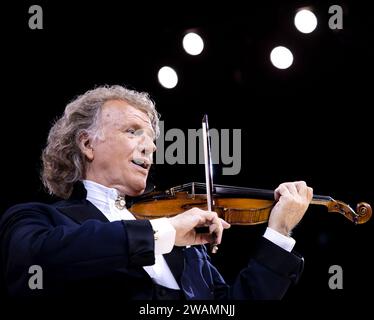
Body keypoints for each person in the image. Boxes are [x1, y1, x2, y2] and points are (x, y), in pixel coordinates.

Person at [0, 85, 313, 299]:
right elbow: (35, 261)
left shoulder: (186, 246)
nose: (150, 146)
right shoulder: (40, 219)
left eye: (151, 138)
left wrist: (279, 232)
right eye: (132, 131)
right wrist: (162, 232)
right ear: (86, 144)